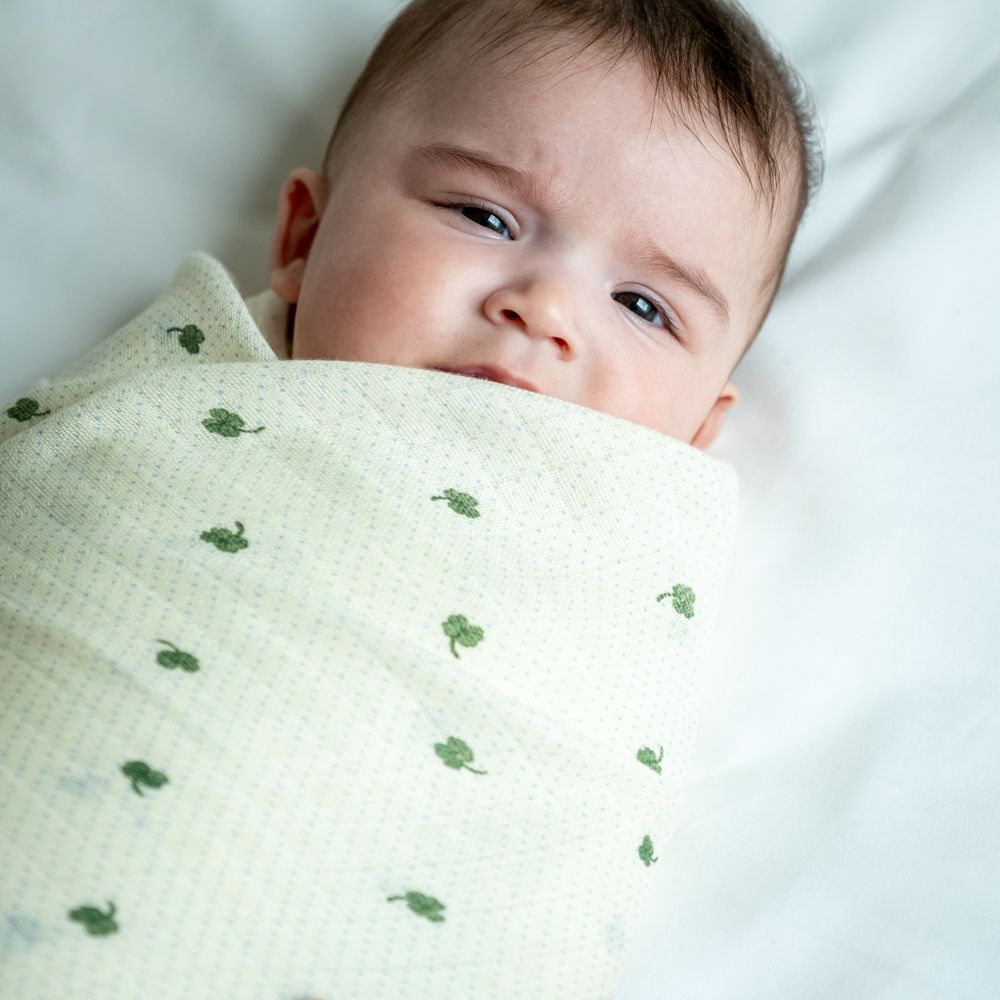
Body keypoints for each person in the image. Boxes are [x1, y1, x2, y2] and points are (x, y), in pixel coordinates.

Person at [256, 0, 822, 448]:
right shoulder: (203, 385)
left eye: (641, 306)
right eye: (486, 218)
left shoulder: (637, 543)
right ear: (306, 238)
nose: (545, 310)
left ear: (698, 431)